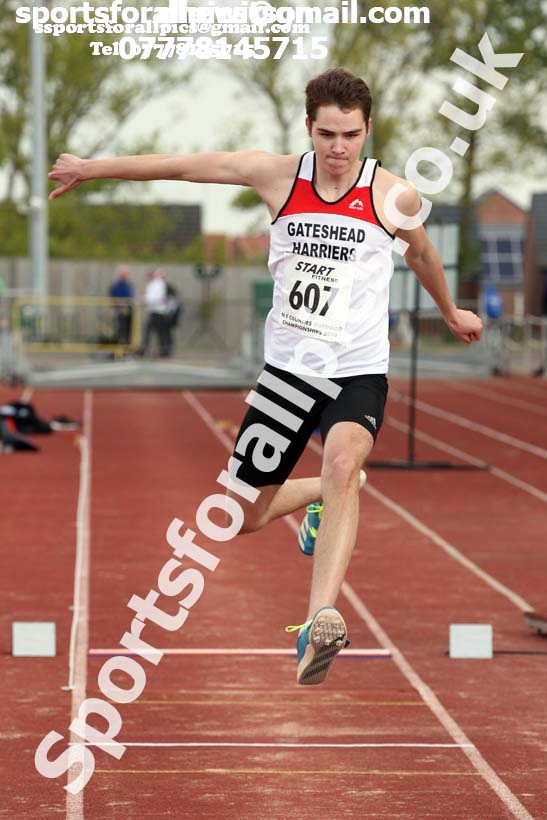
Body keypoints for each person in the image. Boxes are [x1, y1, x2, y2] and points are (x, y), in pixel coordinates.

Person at [48, 68, 482, 686]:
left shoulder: (393, 195)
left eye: (350, 136)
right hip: (287, 375)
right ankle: (324, 497)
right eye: (327, 134)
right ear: (308, 128)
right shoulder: (276, 175)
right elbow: (185, 165)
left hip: (358, 367)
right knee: (241, 517)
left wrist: (451, 310)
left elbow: (421, 253)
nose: (338, 149)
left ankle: (318, 618)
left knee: (341, 464)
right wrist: (92, 169)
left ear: (367, 132)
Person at [139, 269, 169, 357]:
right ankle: (163, 350)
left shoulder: (156, 284)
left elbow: (153, 298)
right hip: (158, 311)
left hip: (156, 311)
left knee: (149, 330)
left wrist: (144, 300)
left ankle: (144, 349)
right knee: (159, 332)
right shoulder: (159, 284)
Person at [108, 266, 134, 345]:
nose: (126, 276)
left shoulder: (128, 285)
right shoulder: (117, 285)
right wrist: (120, 306)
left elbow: (130, 296)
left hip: (128, 310)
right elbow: (115, 297)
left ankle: (127, 346)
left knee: (128, 330)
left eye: (127, 274)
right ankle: (119, 347)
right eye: (125, 274)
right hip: (120, 311)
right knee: (120, 329)